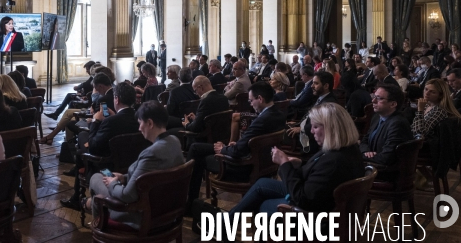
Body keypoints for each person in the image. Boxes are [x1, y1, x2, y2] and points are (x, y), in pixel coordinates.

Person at [227, 103, 365, 222]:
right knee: (262, 184)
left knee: (265, 205)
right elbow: (321, 178)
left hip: (315, 216)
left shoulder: (334, 160)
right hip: (322, 200)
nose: (311, 131)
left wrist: (284, 164)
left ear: (331, 129)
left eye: (315, 127)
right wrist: (299, 164)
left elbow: (303, 199)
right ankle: (227, 221)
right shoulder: (347, 149)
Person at [186, 82, 285, 211]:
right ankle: (190, 202)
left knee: (196, 150)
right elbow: (246, 144)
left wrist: (223, 149)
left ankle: (190, 203)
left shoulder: (262, 120)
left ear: (260, 99)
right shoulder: (278, 114)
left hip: (241, 167)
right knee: (198, 148)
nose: (250, 104)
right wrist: (233, 145)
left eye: (251, 100)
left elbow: (238, 151)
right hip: (264, 165)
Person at [86, 101, 184, 229]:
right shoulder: (174, 141)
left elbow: (127, 196)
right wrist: (124, 177)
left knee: (96, 179)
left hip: (142, 215)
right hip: (168, 210)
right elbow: (150, 175)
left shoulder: (151, 153)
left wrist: (112, 183)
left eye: (140, 123)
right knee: (97, 196)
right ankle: (95, 214)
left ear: (150, 123)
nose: (139, 128)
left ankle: (99, 224)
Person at [60, 82, 140, 210]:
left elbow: (93, 148)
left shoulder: (110, 122)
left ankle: (77, 196)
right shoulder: (139, 118)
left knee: (82, 144)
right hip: (132, 165)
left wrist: (95, 121)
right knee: (83, 143)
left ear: (117, 99)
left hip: (107, 168)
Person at [42, 73, 115, 145]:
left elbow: (103, 115)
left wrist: (92, 117)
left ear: (101, 86)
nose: (96, 90)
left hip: (97, 126)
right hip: (106, 123)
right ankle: (61, 143)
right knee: (69, 116)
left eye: (96, 88)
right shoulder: (115, 93)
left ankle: (69, 149)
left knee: (69, 123)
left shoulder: (103, 99)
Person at [360, 84, 413, 167]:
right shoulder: (377, 117)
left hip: (387, 171)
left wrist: (360, 156)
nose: (373, 100)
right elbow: (365, 140)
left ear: (392, 104)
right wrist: (366, 152)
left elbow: (386, 158)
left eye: (379, 98)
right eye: (374, 96)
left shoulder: (398, 124)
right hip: (374, 164)